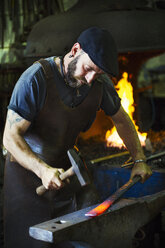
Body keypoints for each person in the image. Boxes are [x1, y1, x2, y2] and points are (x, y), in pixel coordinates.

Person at [3, 27, 152, 248]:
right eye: (88, 69)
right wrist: (43, 170)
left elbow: (122, 120)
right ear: (75, 50)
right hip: (26, 179)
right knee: (30, 242)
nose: (91, 79)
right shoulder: (36, 79)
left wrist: (139, 159)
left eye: (98, 73)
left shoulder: (99, 85)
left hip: (65, 175)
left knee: (77, 238)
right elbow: (9, 137)